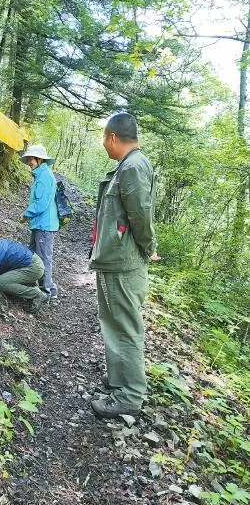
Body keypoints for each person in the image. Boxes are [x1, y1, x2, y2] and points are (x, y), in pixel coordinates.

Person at [89, 112, 159, 419]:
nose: (103, 144)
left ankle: (130, 396)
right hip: (116, 260)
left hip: (124, 263)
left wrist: (149, 247)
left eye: (104, 138)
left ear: (113, 137)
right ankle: (118, 380)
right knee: (113, 324)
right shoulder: (128, 165)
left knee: (126, 329)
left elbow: (140, 216)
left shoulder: (132, 167)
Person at [20, 144, 59, 299]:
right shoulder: (42, 174)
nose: (29, 162)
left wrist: (26, 214)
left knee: (42, 257)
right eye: (28, 159)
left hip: (44, 224)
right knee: (34, 255)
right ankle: (46, 287)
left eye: (31, 159)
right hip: (41, 223)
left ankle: (46, 291)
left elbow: (41, 204)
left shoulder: (44, 177)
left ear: (40, 159)